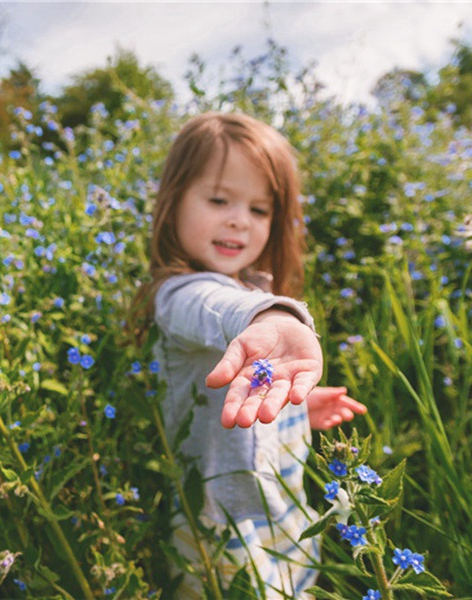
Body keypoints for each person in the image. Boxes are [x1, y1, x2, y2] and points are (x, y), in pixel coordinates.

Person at [132, 112, 366, 598]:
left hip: (278, 504)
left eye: (259, 210)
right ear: (173, 201)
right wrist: (273, 316)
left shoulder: (249, 287)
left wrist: (300, 406)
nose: (239, 219)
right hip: (220, 523)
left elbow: (254, 380)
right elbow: (220, 309)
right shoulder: (179, 295)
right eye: (219, 200)